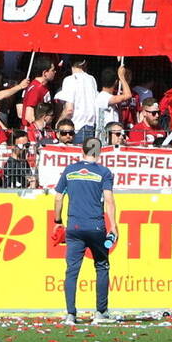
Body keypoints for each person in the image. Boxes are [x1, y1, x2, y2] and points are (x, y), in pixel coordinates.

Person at [52, 136, 118, 325]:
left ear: (82, 150)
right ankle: (100, 312)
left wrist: (58, 220)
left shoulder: (70, 170)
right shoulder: (104, 172)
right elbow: (109, 200)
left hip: (74, 227)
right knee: (102, 266)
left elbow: (58, 198)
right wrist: (113, 225)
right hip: (96, 226)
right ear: (99, 153)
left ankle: (71, 314)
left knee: (72, 271)